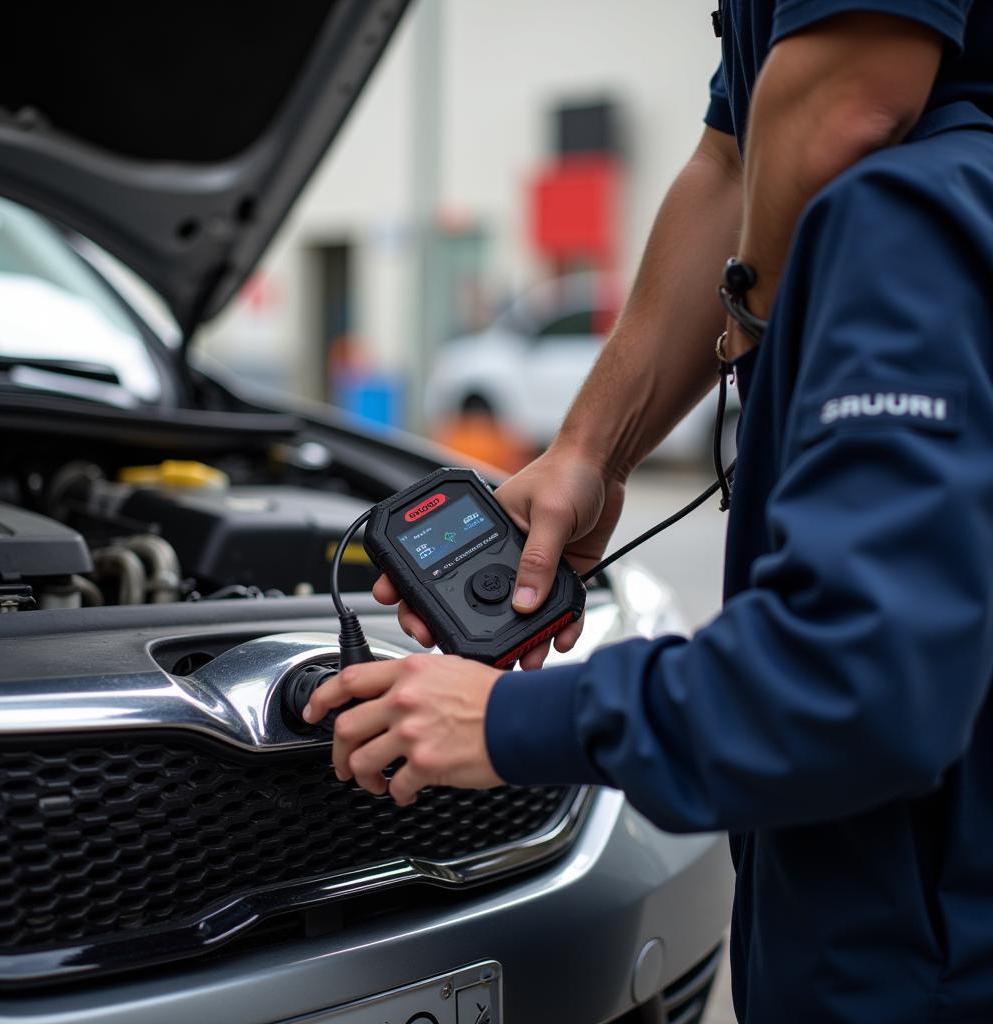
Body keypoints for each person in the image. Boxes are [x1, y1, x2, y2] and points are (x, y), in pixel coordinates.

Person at [307, 3, 993, 1021]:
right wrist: (587, 449)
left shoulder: (899, 225)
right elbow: (729, 158)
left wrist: (504, 720)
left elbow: (853, 681)